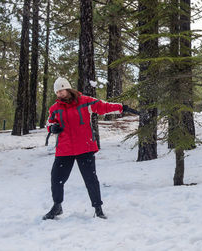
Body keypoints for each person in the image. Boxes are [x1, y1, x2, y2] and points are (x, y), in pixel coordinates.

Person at [43, 77, 134, 220]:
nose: (60, 94)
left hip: (84, 147)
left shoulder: (84, 101)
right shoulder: (55, 108)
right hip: (64, 149)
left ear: (68, 89)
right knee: (56, 178)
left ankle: (98, 208)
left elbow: (104, 106)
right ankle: (57, 206)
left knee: (90, 179)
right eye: (57, 92)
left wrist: (122, 107)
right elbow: (49, 123)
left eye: (61, 90)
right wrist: (52, 127)